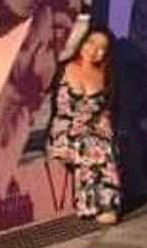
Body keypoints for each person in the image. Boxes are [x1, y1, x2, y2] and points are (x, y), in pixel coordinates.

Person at [47, 24, 122, 225]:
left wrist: (104, 128)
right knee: (94, 144)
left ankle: (102, 204)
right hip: (64, 131)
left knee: (101, 141)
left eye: (101, 48)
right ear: (82, 42)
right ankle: (99, 205)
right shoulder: (63, 68)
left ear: (105, 54)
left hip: (93, 131)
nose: (94, 50)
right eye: (91, 42)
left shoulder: (105, 76)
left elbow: (105, 111)